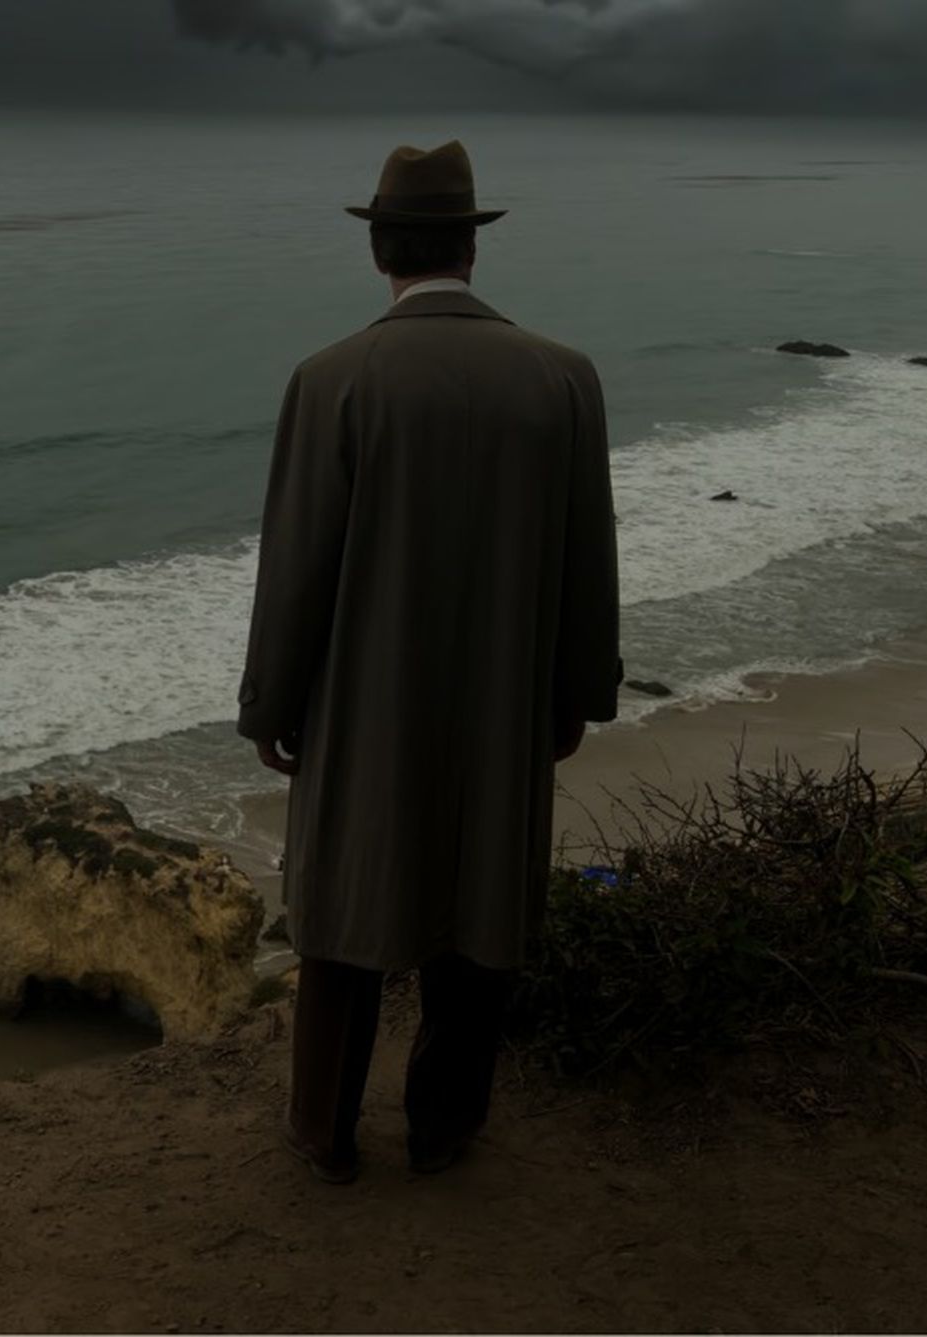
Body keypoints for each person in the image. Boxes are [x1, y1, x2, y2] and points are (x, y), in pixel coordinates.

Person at [236, 140, 622, 1184]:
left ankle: (325, 1130)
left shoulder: (331, 381)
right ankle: (445, 1128)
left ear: (380, 252)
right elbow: (590, 564)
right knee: (480, 906)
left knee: (345, 907)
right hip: (504, 700)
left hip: (364, 705)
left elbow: (297, 567)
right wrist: (581, 694)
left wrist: (270, 700)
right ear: (471, 248)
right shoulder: (563, 379)